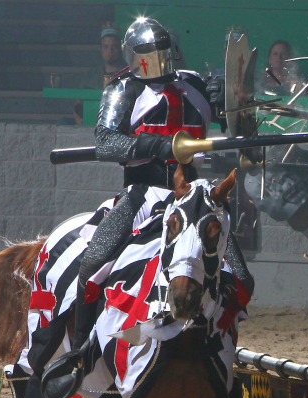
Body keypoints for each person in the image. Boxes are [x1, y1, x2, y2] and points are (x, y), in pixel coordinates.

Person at [68, 17, 227, 364]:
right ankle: (81, 352)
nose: (155, 57)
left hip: (194, 195)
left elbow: (235, 128)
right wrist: (158, 146)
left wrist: (228, 100)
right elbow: (107, 143)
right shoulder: (122, 89)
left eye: (160, 51)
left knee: (239, 276)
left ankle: (220, 340)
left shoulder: (195, 85)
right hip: (143, 192)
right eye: (147, 52)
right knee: (93, 263)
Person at [78, 24, 127, 90]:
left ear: (121, 48)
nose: (110, 51)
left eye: (114, 47)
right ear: (101, 49)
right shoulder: (90, 76)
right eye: (106, 47)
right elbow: (79, 99)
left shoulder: (129, 75)